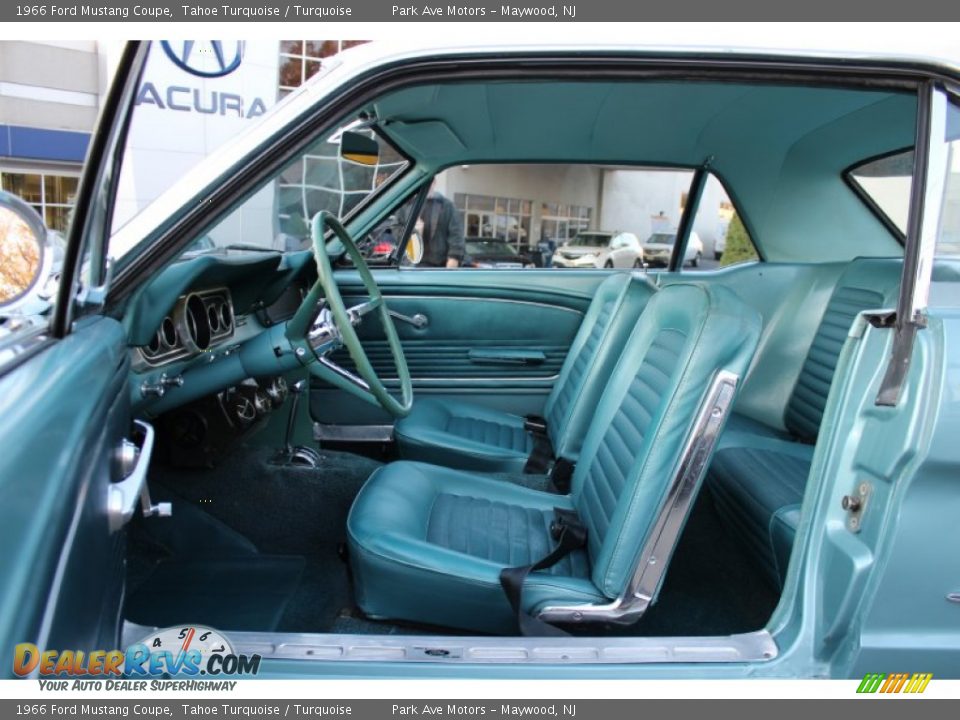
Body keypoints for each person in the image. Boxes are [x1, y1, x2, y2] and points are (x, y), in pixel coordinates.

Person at [414, 181, 464, 268]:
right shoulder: (408, 205)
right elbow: (397, 228)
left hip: (439, 265)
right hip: (412, 264)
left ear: (434, 183)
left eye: (429, 182)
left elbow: (456, 234)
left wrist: (454, 258)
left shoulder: (447, 206)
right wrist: (414, 233)